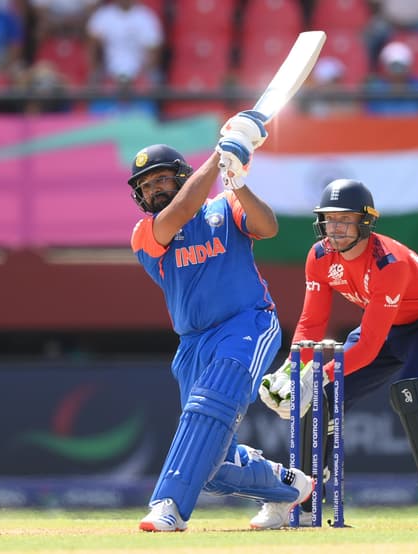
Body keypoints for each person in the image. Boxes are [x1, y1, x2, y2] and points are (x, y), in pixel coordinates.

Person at [129, 110, 312, 532]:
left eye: (161, 179)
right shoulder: (146, 233)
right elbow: (181, 211)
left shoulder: (224, 207)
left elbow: (267, 227)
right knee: (213, 466)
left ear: (180, 175)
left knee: (207, 406)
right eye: (146, 185)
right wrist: (220, 156)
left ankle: (169, 505)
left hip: (247, 323)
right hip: (193, 343)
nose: (155, 189)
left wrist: (238, 181)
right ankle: (290, 488)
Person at [259, 178, 418, 528]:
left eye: (346, 219)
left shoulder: (389, 263)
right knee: (321, 397)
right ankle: (300, 502)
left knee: (412, 392)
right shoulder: (319, 257)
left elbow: (370, 347)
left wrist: (320, 373)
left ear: (365, 222)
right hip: (387, 323)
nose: (336, 228)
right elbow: (311, 325)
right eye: (330, 219)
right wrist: (290, 372)